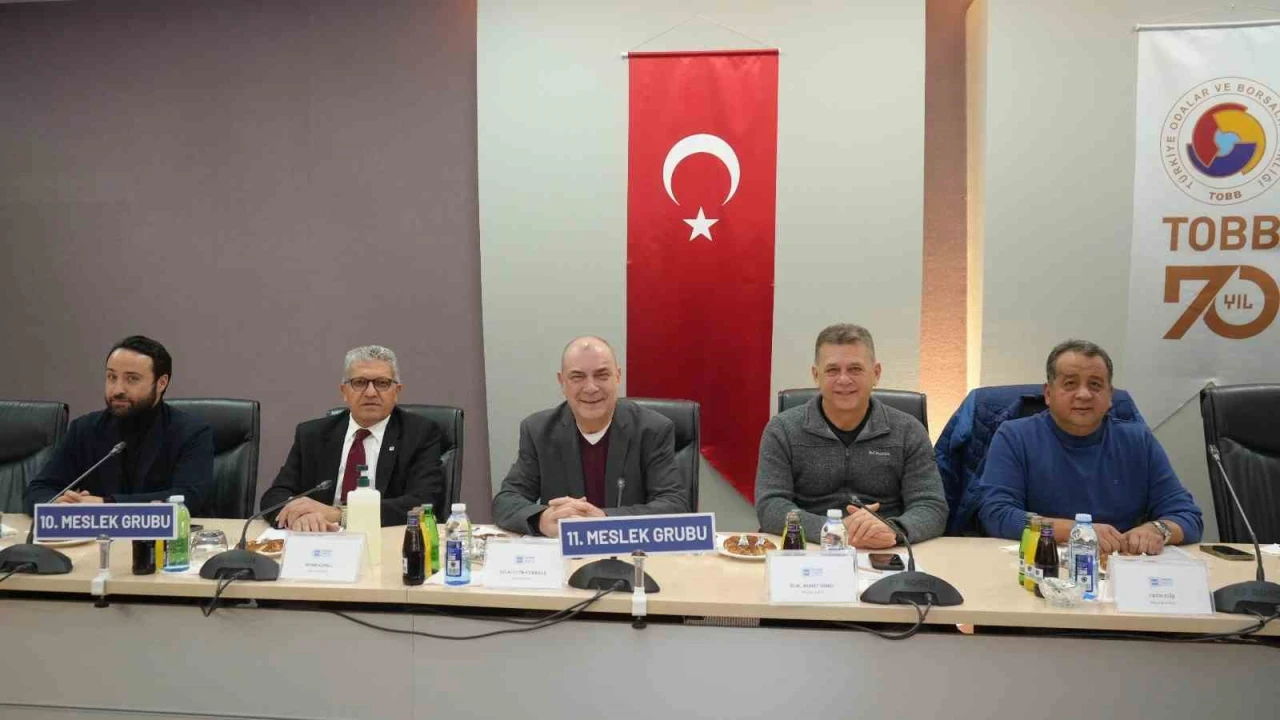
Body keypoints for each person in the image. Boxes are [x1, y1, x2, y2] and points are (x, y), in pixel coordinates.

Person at [976, 339, 1204, 554]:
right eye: (1070, 384)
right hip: (1043, 563)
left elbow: (1187, 516)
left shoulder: (1138, 440)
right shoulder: (1015, 436)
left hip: (1120, 563)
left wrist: (1157, 530)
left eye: (1095, 385)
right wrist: (1077, 531)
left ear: (1110, 395)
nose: (1084, 394)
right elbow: (996, 514)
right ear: (1048, 394)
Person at [756, 324, 948, 549]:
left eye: (855, 369)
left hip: (886, 548)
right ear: (816, 375)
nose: (844, 379)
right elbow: (771, 506)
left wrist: (894, 530)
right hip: (809, 546)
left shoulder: (909, 430)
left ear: (876, 373)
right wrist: (834, 530)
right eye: (832, 370)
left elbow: (931, 506)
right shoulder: (782, 430)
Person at [492, 336, 690, 537]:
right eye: (577, 377)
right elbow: (506, 501)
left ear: (618, 377)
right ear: (562, 382)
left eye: (602, 375)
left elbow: (675, 505)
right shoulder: (538, 431)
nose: (591, 388)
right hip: (562, 551)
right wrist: (541, 520)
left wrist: (604, 519)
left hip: (629, 550)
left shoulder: (652, 430)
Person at [260, 345, 444, 531]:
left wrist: (340, 514)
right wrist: (301, 516)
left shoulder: (420, 433)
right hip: (321, 537)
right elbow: (275, 496)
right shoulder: (313, 434)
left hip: (383, 538)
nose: (371, 393)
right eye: (359, 382)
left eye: (382, 383)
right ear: (344, 391)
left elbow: (423, 502)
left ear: (397, 391)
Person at [25, 335, 214, 514]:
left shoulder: (191, 433)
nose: (117, 389)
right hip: (96, 536)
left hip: (166, 536)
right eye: (111, 377)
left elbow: (188, 498)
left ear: (161, 383)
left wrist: (107, 504)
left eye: (132, 379)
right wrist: (57, 504)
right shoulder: (84, 429)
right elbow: (39, 489)